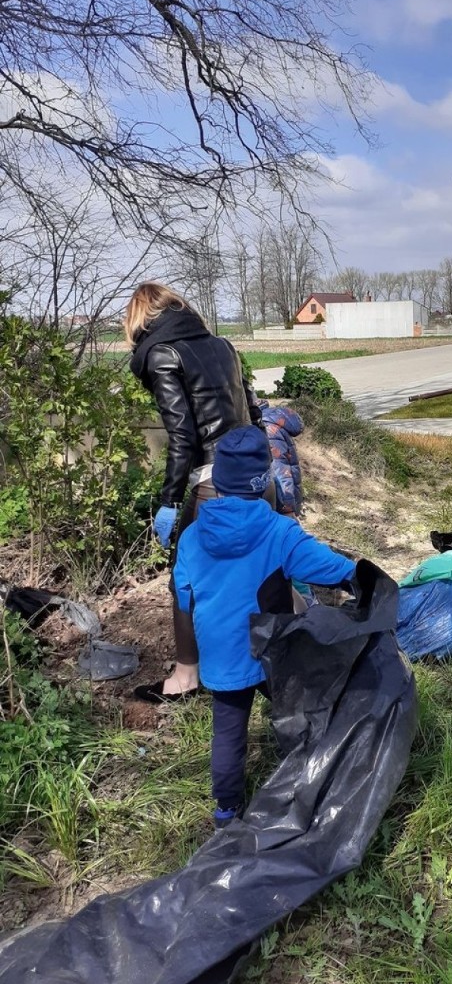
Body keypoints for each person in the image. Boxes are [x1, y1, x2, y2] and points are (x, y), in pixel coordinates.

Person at [173, 425, 356, 828]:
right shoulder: (278, 532)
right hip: (270, 648)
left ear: (217, 481)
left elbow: (183, 597)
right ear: (264, 481)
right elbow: (327, 567)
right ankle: (309, 774)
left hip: (220, 651)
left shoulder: (191, 537)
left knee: (228, 733)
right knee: (297, 707)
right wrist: (359, 575)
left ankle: (225, 810)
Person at [126, 282, 263, 704]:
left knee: (184, 580)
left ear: (140, 320)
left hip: (214, 485)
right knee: (259, 570)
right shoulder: (223, 346)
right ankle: (281, 654)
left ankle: (187, 677)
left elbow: (183, 437)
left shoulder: (162, 354)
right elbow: (255, 413)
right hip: (256, 477)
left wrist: (168, 503)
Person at [259, 400, 304, 516]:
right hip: (286, 497)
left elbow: (280, 471)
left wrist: (287, 509)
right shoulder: (272, 422)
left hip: (282, 505)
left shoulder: (267, 429)